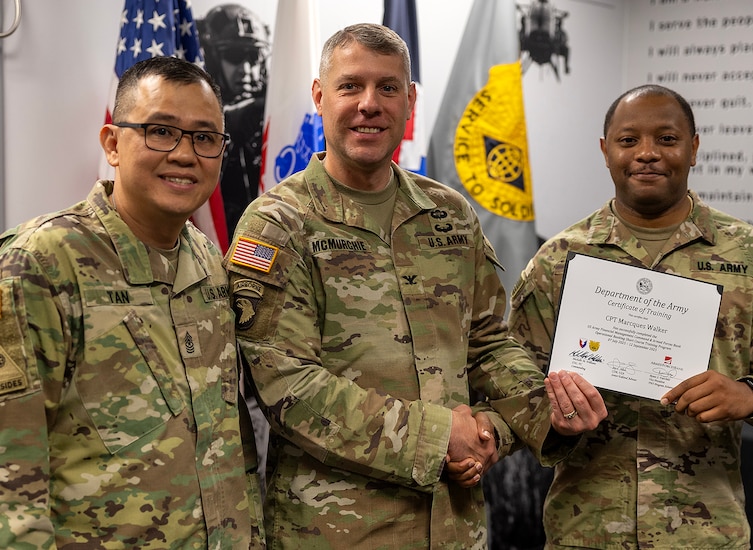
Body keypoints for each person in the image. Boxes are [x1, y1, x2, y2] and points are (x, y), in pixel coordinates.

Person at [225, 23, 558, 549]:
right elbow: (288, 387)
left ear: (410, 100)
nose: (369, 104)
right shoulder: (278, 224)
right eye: (349, 86)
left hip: (454, 524)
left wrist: (501, 427)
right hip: (338, 531)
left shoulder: (448, 214)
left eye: (387, 88)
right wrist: (438, 437)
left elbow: (490, 343)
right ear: (318, 96)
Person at [509, 84, 753, 548]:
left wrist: (750, 394)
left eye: (668, 139)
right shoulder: (559, 260)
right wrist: (552, 415)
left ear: (694, 149)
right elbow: (511, 382)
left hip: (704, 530)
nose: (648, 154)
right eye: (629, 139)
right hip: (587, 529)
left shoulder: (751, 256)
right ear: (605, 150)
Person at [0, 57, 263, 548]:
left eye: (205, 138)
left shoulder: (207, 260)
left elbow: (231, 439)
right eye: (161, 131)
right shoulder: (42, 262)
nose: (185, 154)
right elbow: (10, 476)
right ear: (112, 144)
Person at [198, 3, 271, 238]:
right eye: (234, 56)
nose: (246, 69)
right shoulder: (190, 107)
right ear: (212, 57)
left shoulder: (274, 108)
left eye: (254, 56)